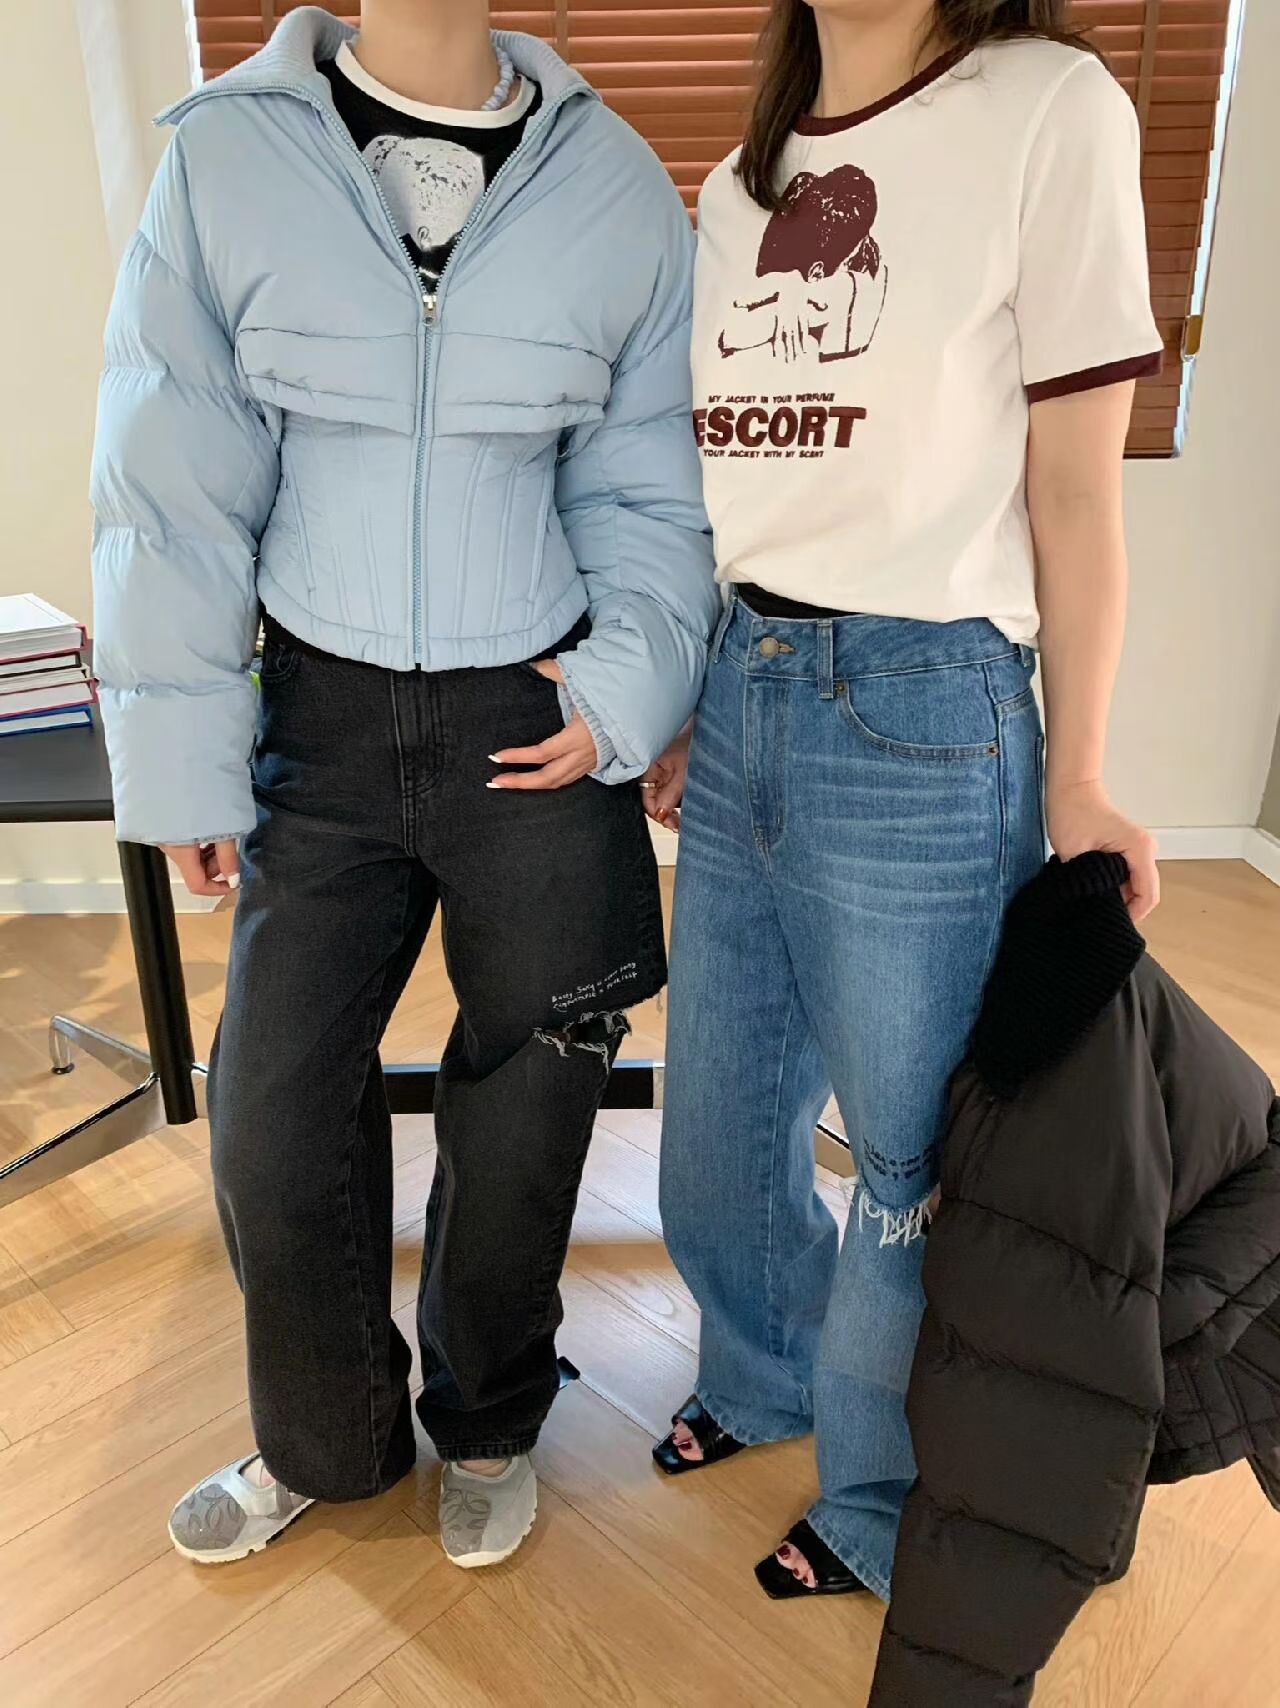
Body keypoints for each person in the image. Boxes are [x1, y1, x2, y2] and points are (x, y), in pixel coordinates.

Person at [91, 0, 716, 1570]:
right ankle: (323, 1438)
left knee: (538, 1092)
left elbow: (649, 483)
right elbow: (172, 484)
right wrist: (186, 766)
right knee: (273, 1106)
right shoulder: (225, 159)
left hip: (536, 707)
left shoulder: (616, 182)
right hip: (320, 713)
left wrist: (628, 691)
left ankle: (491, 1420)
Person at [646, 0, 1165, 1604]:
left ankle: (882, 1493)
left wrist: (1079, 771)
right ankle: (764, 1372)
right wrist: (695, 694)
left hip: (925, 706)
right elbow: (731, 481)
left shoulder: (1048, 105)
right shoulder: (742, 183)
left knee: (904, 1167)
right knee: (718, 1130)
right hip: (745, 678)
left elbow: (1074, 487)